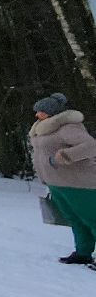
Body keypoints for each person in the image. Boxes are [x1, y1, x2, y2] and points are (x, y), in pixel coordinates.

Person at [33, 91, 96, 267]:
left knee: (92, 219)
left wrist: (63, 156)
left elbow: (90, 146)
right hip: (57, 183)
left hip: (80, 183)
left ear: (52, 113)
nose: (37, 115)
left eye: (41, 111)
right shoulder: (42, 128)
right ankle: (83, 253)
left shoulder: (68, 127)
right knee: (74, 219)